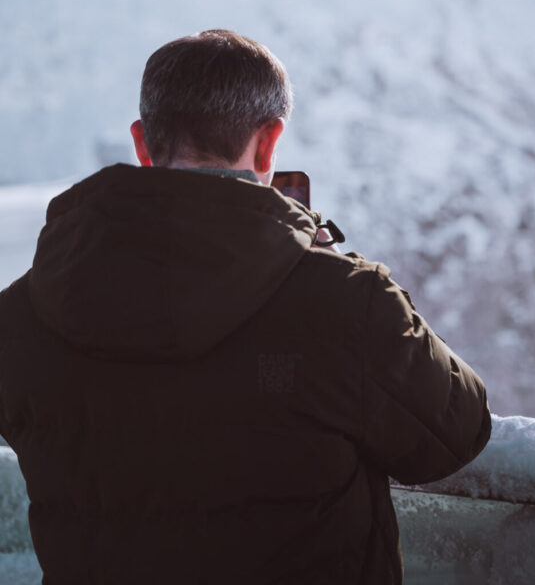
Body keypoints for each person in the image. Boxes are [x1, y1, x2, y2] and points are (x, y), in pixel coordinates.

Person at [0, 29, 491, 584]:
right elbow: (458, 430)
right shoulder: (345, 303)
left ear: (142, 143)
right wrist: (336, 268)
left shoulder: (22, 314)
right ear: (268, 143)